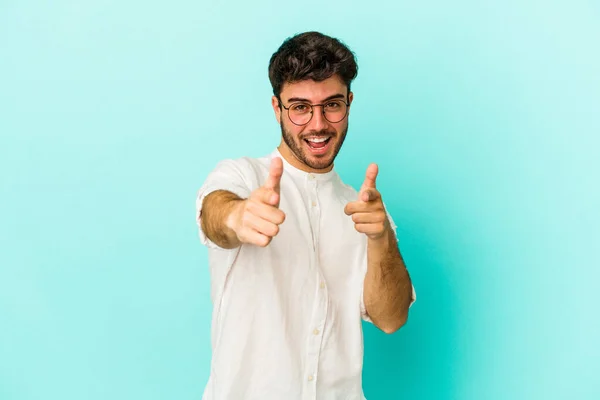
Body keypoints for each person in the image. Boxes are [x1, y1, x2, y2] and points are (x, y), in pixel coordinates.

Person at [195, 31, 416, 400]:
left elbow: (391, 319)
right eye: (299, 107)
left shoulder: (363, 208)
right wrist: (238, 216)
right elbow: (214, 215)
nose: (317, 124)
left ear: (349, 102)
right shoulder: (241, 177)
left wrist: (381, 240)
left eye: (332, 104)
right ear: (276, 107)